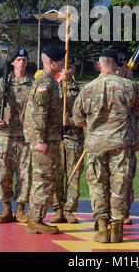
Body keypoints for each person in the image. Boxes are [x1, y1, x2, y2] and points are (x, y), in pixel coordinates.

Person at [72, 48, 139, 243]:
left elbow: (78, 118)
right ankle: (116, 228)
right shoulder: (129, 86)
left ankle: (102, 228)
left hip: (96, 144)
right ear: (117, 65)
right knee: (119, 186)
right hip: (121, 144)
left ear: (99, 65)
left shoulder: (87, 89)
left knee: (98, 186)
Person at [23, 46, 65, 235]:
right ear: (52, 62)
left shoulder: (50, 81)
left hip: (49, 138)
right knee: (43, 179)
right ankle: (35, 220)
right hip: (44, 140)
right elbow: (39, 112)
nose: (64, 64)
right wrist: (40, 139)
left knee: (45, 178)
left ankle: (36, 217)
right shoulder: (45, 83)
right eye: (61, 60)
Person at [0, 47, 33, 224]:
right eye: (19, 60)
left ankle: (21, 210)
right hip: (5, 135)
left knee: (26, 175)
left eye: (24, 60)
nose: (22, 62)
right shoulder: (3, 83)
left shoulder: (33, 83)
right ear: (13, 62)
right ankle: (6, 209)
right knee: (4, 174)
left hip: (26, 136)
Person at [51, 56, 85, 224]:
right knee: (56, 175)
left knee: (73, 176)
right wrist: (58, 83)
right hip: (56, 139)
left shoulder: (82, 90)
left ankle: (69, 210)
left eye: (70, 67)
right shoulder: (52, 87)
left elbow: (88, 115)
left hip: (74, 138)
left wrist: (70, 121)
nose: (67, 71)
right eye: (64, 67)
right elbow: (43, 106)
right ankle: (57, 209)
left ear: (74, 69)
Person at [116, 55, 139, 226]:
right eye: (117, 67)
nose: (119, 70)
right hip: (109, 141)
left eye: (122, 67)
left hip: (128, 140)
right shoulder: (105, 86)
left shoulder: (133, 88)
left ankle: (125, 211)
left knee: (127, 178)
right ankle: (106, 215)